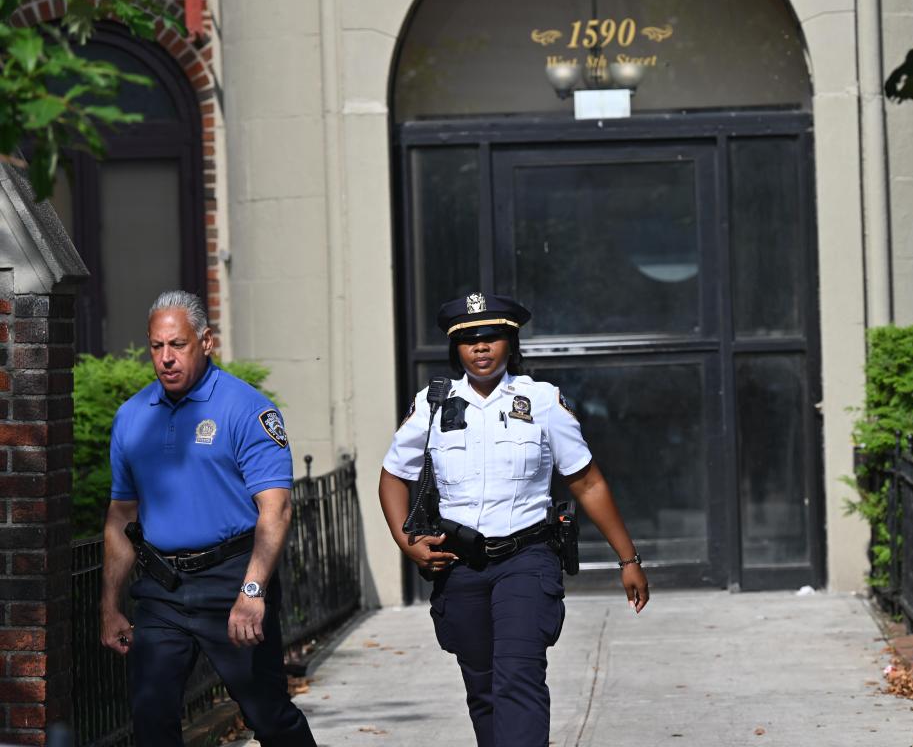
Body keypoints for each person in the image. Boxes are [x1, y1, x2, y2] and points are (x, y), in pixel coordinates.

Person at [379, 291, 650, 747]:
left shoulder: (541, 401)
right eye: (468, 340)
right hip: (458, 565)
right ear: (456, 348)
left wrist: (628, 559)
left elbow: (587, 482)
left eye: (491, 338)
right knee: (482, 691)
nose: (480, 348)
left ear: (510, 343)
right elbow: (393, 475)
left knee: (519, 679)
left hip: (527, 558)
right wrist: (406, 542)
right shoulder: (432, 403)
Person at [98, 290, 316, 747]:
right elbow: (121, 514)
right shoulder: (132, 417)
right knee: (151, 720)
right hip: (162, 588)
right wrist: (110, 605)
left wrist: (252, 591)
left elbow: (275, 509)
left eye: (177, 345)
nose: (166, 358)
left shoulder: (246, 409)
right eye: (157, 347)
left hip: (232, 581)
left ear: (207, 342)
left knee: (268, 715)